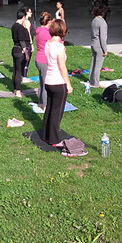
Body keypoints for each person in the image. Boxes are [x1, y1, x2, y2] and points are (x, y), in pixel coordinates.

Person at [43, 19, 72, 147]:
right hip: (58, 82)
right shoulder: (58, 47)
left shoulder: (48, 44)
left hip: (48, 81)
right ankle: (54, 139)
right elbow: (62, 67)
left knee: (49, 108)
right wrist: (68, 84)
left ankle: (46, 135)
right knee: (57, 111)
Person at [35, 12, 52, 109]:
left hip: (39, 58)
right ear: (48, 21)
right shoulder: (46, 33)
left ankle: (41, 102)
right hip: (44, 59)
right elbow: (56, 41)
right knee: (46, 83)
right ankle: (45, 105)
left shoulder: (38, 31)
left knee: (41, 82)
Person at [11, 9, 30, 97]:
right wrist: (26, 53)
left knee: (15, 70)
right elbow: (22, 41)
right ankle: (18, 91)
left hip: (15, 49)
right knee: (19, 71)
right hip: (20, 51)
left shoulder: (13, 26)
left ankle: (15, 89)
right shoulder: (20, 27)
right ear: (23, 17)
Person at [89, 4, 108, 88]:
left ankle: (91, 80)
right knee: (98, 65)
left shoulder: (94, 20)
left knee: (93, 63)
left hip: (93, 43)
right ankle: (96, 83)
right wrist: (105, 49)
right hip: (99, 45)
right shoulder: (102, 22)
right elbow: (103, 38)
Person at [21, 7, 34, 81]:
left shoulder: (24, 21)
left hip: (26, 42)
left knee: (26, 59)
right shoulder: (26, 22)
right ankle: (24, 76)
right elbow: (28, 33)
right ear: (26, 13)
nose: (31, 13)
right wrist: (31, 43)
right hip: (27, 43)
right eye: (30, 12)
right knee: (27, 59)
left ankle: (23, 75)